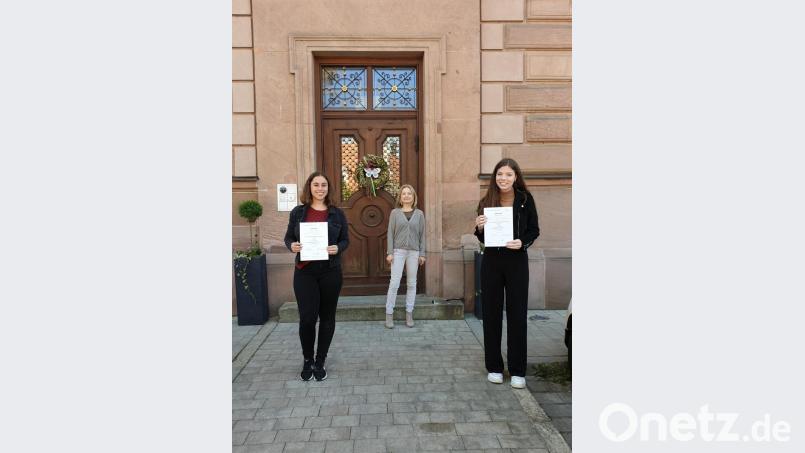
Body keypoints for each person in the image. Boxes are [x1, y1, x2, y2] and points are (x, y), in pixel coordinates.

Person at [474, 158, 539, 389]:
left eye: (508, 175)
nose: (504, 178)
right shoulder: (486, 201)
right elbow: (481, 238)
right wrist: (479, 227)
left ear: (516, 177)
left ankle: (518, 369)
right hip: (491, 261)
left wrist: (523, 242)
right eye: (500, 174)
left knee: (517, 315)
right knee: (491, 315)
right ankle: (494, 367)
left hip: (517, 262)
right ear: (495, 177)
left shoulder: (525, 199)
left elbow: (534, 230)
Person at [284, 172, 349, 381]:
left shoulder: (337, 214)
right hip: (305, 272)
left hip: (330, 271)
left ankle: (320, 360)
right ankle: (307, 359)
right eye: (316, 184)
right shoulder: (298, 212)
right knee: (307, 319)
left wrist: (337, 248)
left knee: (328, 318)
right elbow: (289, 237)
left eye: (323, 185)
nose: (320, 188)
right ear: (309, 187)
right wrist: (291, 245)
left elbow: (346, 240)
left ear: (328, 188)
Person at [384, 184, 426, 328]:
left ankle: (409, 313)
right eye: (404, 194)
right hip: (398, 252)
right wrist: (390, 252)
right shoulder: (395, 213)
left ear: (413, 197)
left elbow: (422, 235)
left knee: (411, 284)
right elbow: (390, 233)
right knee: (394, 283)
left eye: (409, 193)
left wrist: (422, 253)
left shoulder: (419, 214)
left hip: (414, 253)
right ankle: (389, 314)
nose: (407, 196)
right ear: (400, 197)